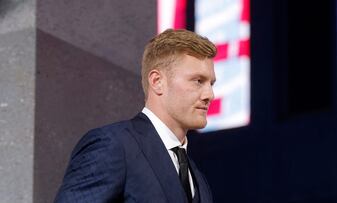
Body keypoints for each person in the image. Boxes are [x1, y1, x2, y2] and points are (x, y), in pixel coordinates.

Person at [54, 28, 217, 203]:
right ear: (157, 82)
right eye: (198, 81)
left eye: (211, 83)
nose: (210, 95)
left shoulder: (198, 178)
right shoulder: (113, 146)